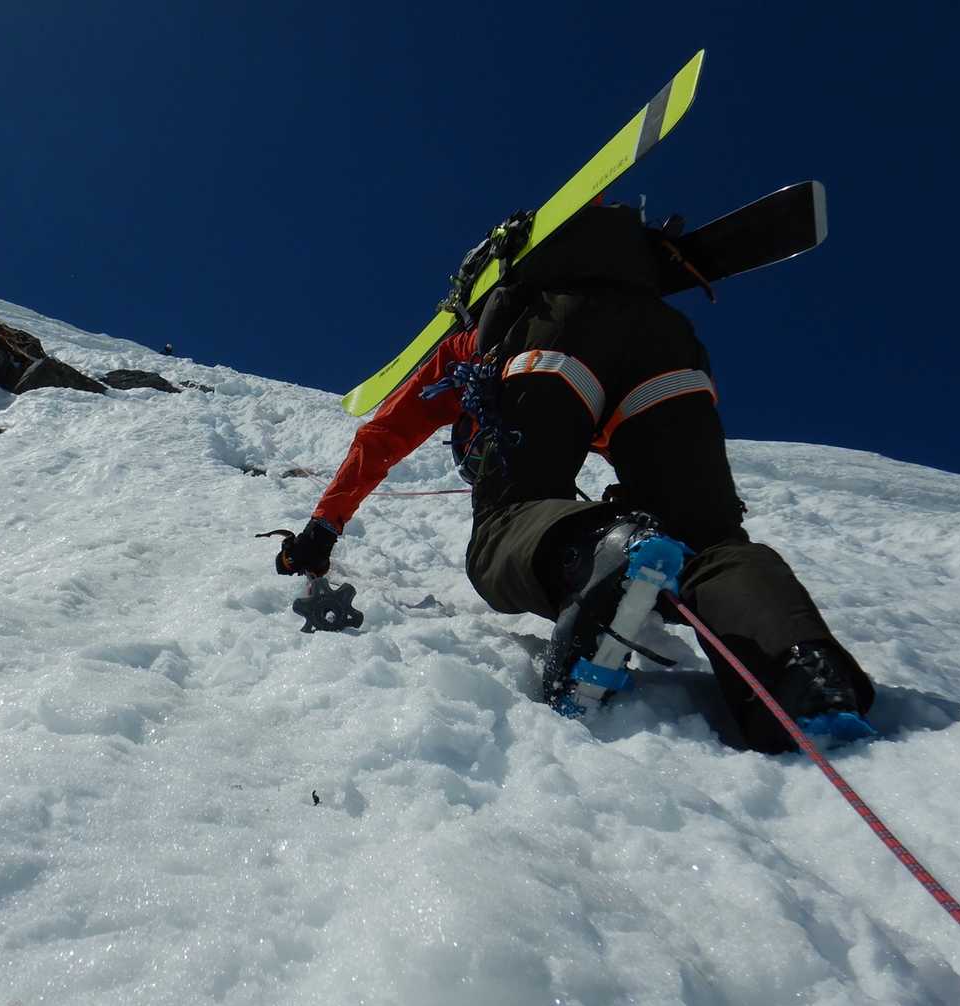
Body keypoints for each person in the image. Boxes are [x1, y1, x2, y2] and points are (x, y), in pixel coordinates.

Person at [271, 201, 877, 754]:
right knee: (710, 540)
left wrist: (324, 526)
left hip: (552, 338)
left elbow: (381, 437)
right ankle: (803, 671)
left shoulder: (474, 342)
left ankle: (600, 553)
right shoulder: (627, 300)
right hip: (669, 344)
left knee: (510, 520)